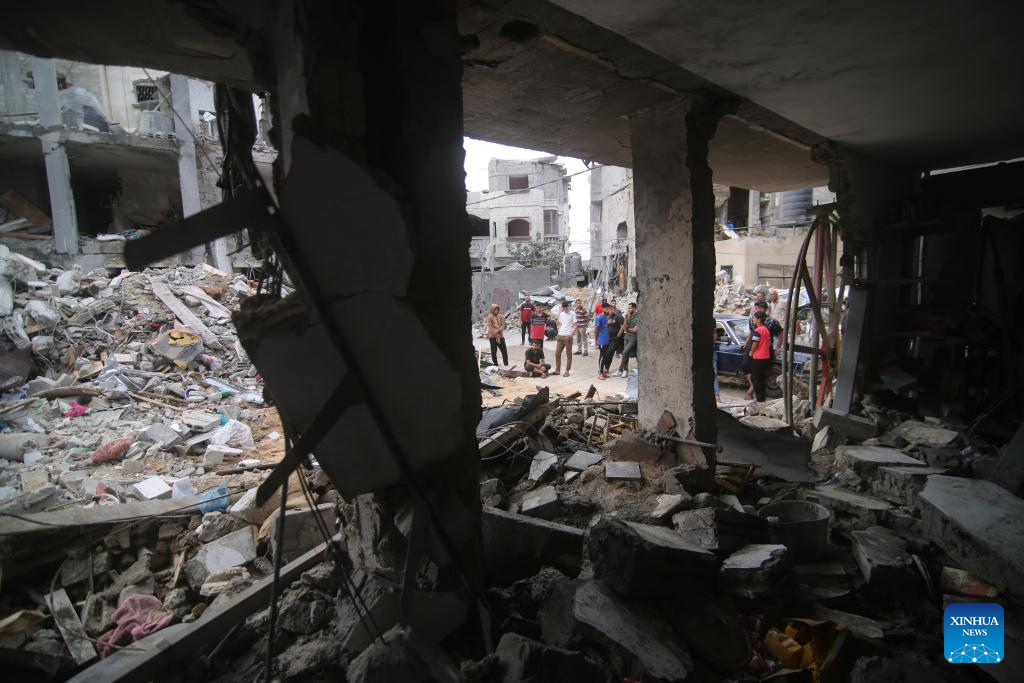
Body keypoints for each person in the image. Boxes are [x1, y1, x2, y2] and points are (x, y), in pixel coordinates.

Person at [748, 310, 773, 403]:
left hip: (758, 357)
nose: (753, 320)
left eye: (754, 318)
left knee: (755, 378)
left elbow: (755, 343)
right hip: (765, 356)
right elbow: (769, 343)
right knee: (761, 378)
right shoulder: (766, 330)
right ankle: (762, 398)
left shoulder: (757, 330)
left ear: (758, 320)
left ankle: (759, 399)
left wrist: (751, 352)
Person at [602, 300, 624, 377]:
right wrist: (607, 323)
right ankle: (606, 369)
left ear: (614, 309)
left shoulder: (618, 316)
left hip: (616, 339)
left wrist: (618, 336)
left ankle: (606, 369)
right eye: (609, 309)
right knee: (608, 353)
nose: (610, 311)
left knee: (609, 352)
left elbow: (622, 327)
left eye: (612, 309)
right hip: (608, 338)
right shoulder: (607, 317)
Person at [554, 300, 576, 377]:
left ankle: (567, 370)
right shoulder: (561, 314)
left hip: (568, 336)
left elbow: (575, 324)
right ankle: (557, 370)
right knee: (557, 353)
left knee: (568, 354)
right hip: (560, 335)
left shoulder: (573, 313)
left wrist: (570, 334)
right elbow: (560, 324)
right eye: (564, 309)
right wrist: (558, 333)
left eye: (567, 308)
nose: (565, 310)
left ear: (569, 306)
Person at [617, 302, 638, 377]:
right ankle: (625, 370)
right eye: (628, 308)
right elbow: (625, 328)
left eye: (630, 308)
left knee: (624, 352)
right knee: (626, 354)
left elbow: (635, 330)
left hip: (633, 338)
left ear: (634, 308)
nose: (628, 310)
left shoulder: (638, 317)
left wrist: (628, 329)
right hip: (626, 337)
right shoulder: (628, 316)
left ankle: (620, 370)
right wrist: (625, 318)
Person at [594, 305, 609, 379]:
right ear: (603, 309)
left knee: (605, 356)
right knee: (602, 356)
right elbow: (596, 330)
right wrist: (596, 340)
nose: (608, 310)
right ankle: (600, 373)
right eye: (606, 309)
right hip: (602, 340)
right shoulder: (599, 317)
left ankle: (602, 372)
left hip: (606, 340)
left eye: (609, 309)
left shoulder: (606, 317)